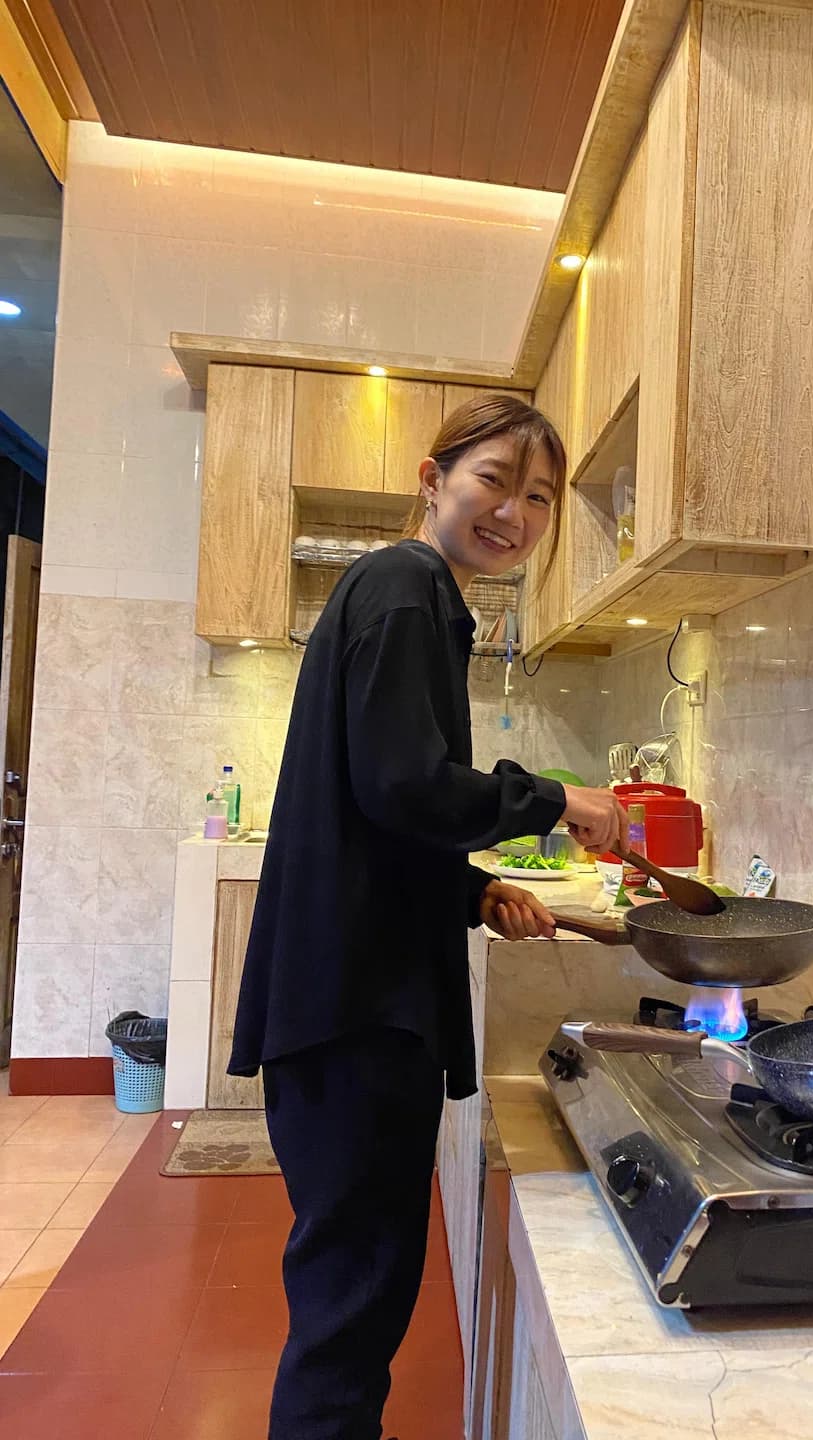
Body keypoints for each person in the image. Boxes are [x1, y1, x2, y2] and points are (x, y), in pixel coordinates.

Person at [228, 393, 627, 1440]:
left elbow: (381, 816)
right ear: (432, 478)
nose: (515, 514)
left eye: (538, 497)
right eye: (494, 480)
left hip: (346, 1005)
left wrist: (470, 889)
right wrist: (557, 800)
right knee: (351, 1306)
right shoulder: (407, 588)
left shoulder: (412, 595)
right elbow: (405, 784)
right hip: (358, 1013)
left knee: (352, 1294)